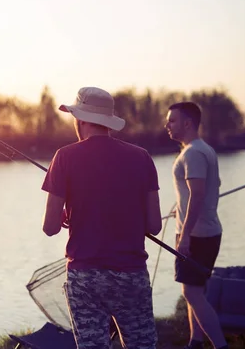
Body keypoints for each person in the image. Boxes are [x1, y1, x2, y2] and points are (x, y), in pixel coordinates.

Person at [41, 86, 162, 349]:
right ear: (107, 121)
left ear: (80, 119)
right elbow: (154, 226)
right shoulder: (141, 157)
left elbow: (50, 228)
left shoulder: (64, 157)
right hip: (130, 275)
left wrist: (70, 213)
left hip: (85, 277)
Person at [165, 102, 227, 349]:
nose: (167, 125)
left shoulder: (193, 153)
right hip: (205, 232)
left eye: (172, 120)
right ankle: (195, 343)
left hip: (198, 235)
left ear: (187, 123)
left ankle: (221, 345)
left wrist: (186, 235)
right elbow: (212, 187)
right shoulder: (203, 150)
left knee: (191, 293)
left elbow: (198, 195)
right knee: (194, 291)